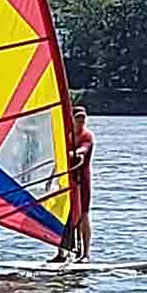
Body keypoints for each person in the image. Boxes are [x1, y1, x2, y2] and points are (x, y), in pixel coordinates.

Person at [52, 107, 94, 263]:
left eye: (83, 118)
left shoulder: (87, 136)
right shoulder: (66, 136)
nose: (81, 121)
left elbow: (84, 150)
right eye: (78, 118)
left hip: (82, 181)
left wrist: (70, 154)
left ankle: (85, 254)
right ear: (72, 119)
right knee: (62, 214)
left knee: (83, 215)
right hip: (66, 180)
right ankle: (62, 253)